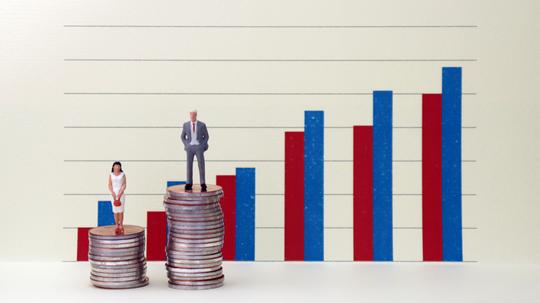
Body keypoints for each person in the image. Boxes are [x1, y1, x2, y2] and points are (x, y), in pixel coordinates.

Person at [180, 110, 209, 191]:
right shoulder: (185, 125)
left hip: (199, 147)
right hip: (190, 148)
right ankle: (189, 183)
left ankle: (203, 183)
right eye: (191, 115)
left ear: (196, 115)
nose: (192, 117)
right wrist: (186, 144)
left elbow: (206, 136)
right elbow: (182, 137)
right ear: (189, 115)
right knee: (189, 165)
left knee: (201, 165)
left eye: (193, 115)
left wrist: (202, 145)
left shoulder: (202, 125)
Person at [108, 161, 127, 234]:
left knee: (121, 210)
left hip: (120, 194)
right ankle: (116, 225)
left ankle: (121, 225)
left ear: (120, 167)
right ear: (113, 167)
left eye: (118, 166)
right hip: (113, 194)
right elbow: (109, 185)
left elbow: (124, 185)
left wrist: (119, 194)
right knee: (115, 211)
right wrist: (113, 193)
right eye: (115, 166)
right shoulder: (111, 174)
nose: (117, 167)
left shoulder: (122, 174)